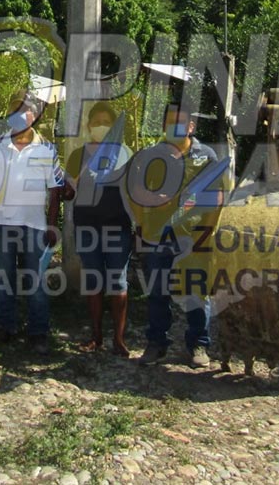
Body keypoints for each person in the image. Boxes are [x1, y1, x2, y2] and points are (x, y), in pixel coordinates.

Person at [127, 105, 222, 368]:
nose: (176, 127)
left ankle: (198, 346)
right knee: (158, 292)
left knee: (196, 292)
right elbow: (135, 191)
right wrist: (143, 222)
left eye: (181, 122)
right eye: (170, 122)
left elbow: (217, 197)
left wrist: (207, 232)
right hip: (158, 237)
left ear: (192, 126)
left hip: (193, 237)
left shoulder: (207, 155)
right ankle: (156, 344)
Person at [0, 92, 64, 355]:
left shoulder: (47, 148)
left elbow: (56, 190)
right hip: (1, 223)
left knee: (36, 282)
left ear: (34, 114)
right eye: (14, 108)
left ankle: (38, 332)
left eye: (24, 109)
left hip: (35, 225)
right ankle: (6, 327)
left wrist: (52, 225)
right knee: (4, 278)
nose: (19, 114)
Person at [63, 102, 134, 357]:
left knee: (118, 283)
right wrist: (68, 186)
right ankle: (95, 336)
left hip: (119, 228)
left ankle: (119, 338)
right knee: (93, 282)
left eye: (107, 122)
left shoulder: (126, 153)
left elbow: (136, 192)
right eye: (97, 122)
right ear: (89, 126)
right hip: (87, 227)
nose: (101, 126)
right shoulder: (77, 156)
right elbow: (68, 194)